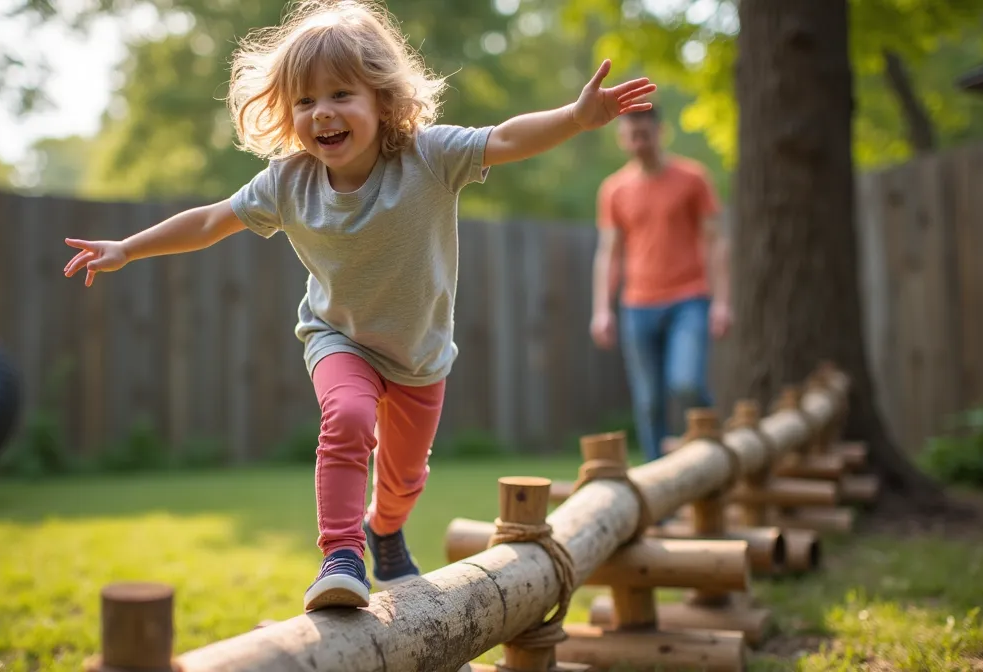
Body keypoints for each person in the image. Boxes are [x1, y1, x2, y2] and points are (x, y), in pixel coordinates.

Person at [62, 0, 656, 612]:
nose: (322, 112)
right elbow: (212, 220)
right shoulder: (286, 182)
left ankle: (385, 529)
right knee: (346, 419)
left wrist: (577, 118)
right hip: (337, 337)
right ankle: (342, 556)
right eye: (305, 101)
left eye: (341, 94)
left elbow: (504, 138)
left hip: (420, 355)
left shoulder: (429, 157)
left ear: (383, 100)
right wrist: (127, 249)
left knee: (403, 481)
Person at [589, 107, 731, 464]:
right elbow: (609, 253)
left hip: (689, 299)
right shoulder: (614, 189)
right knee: (649, 401)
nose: (639, 143)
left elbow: (716, 241)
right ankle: (658, 487)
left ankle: (713, 446)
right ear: (622, 138)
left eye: (645, 135)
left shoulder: (693, 178)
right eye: (632, 136)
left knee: (685, 384)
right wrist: (602, 310)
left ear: (660, 132)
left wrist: (722, 302)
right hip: (637, 306)